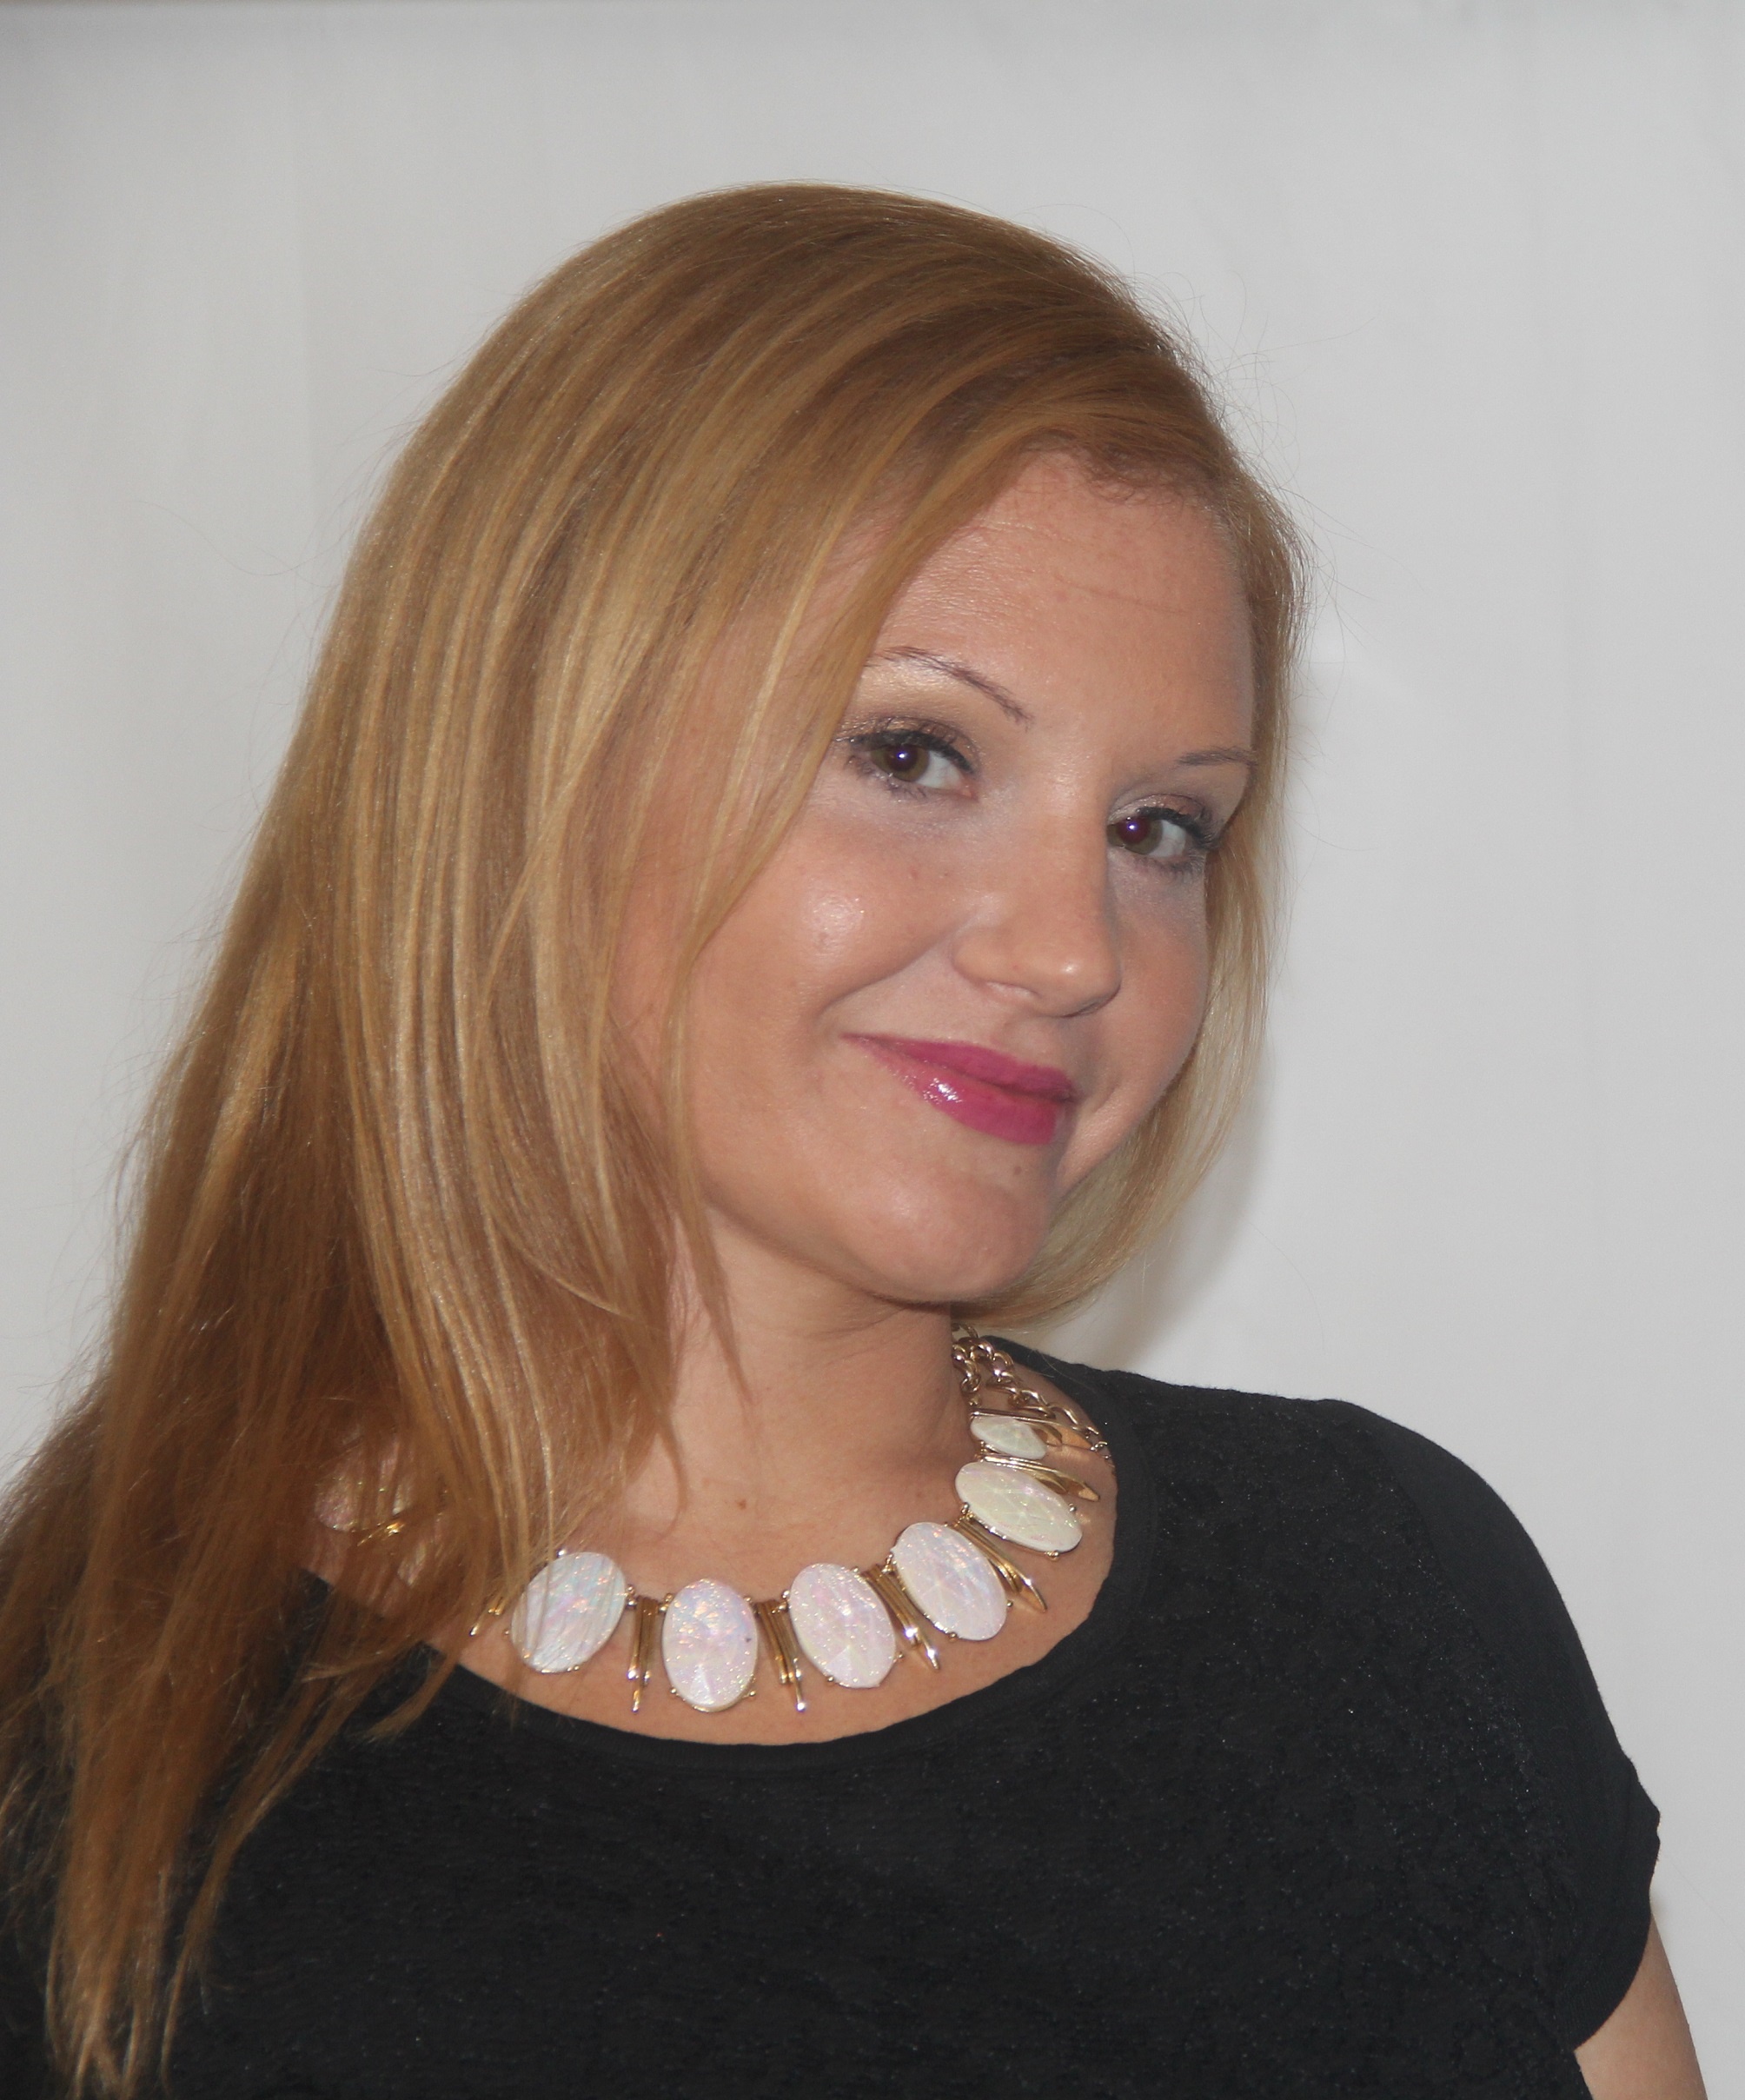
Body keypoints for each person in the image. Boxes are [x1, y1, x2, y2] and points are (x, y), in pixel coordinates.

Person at [0, 184, 1703, 2099]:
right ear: (523, 760)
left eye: (1157, 828)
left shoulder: (1389, 1603)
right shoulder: (95, 1755)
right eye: (914, 754)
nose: (1073, 949)